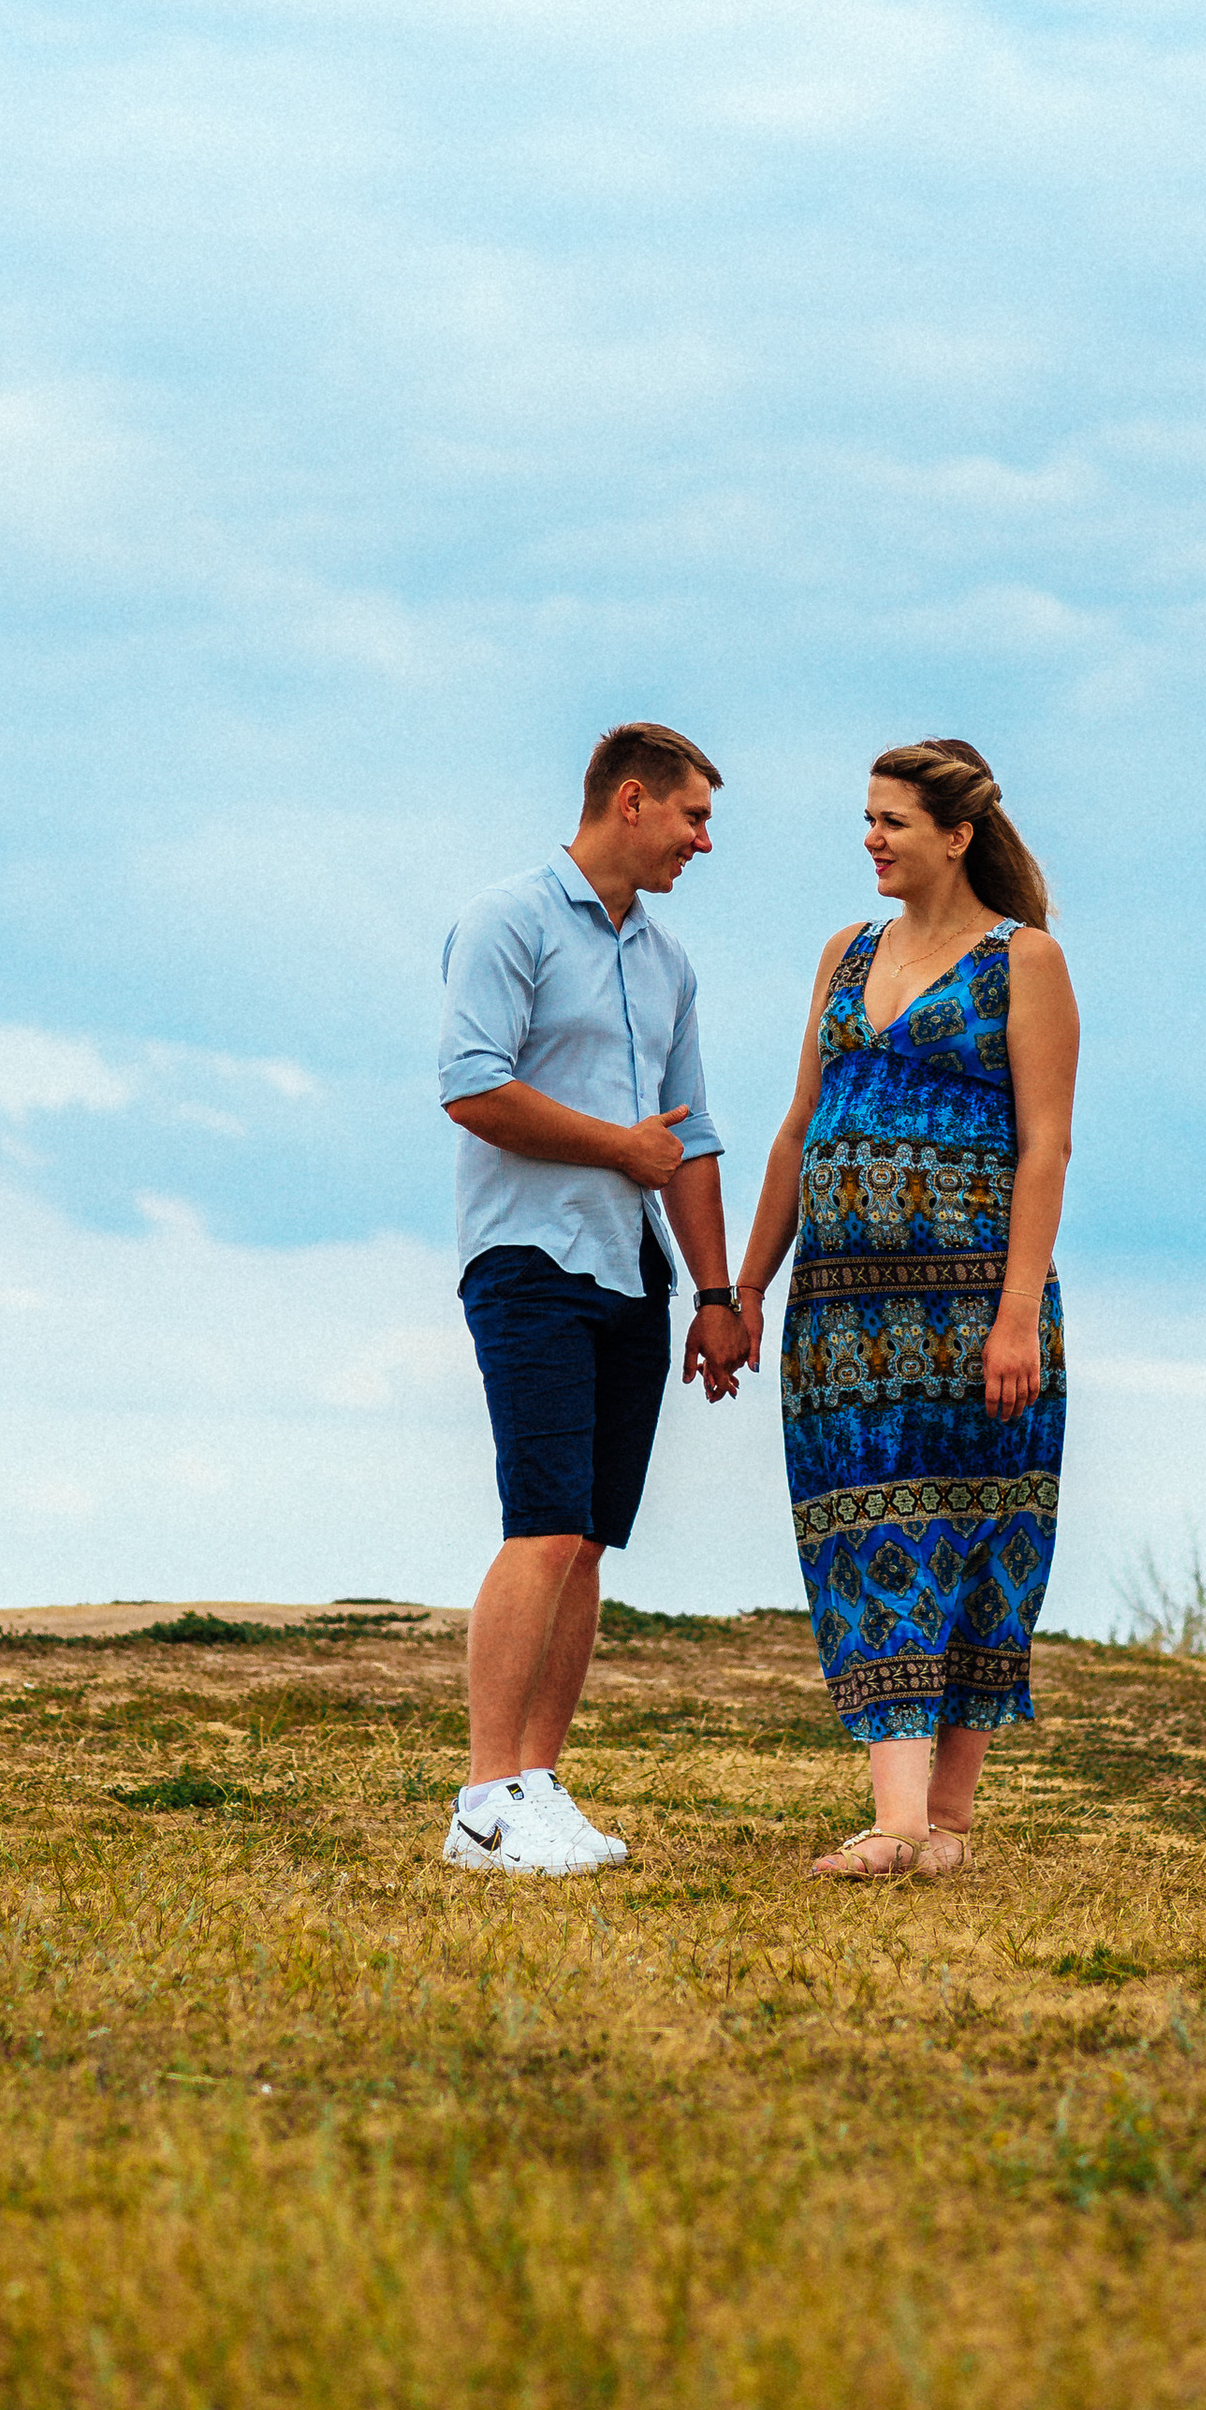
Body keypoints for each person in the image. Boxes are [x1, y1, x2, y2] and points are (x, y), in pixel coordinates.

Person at [733, 738, 1078, 1880]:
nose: (872, 839)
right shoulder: (845, 953)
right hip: (839, 1319)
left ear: (956, 835)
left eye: (892, 821)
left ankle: (946, 1823)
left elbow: (1045, 1147)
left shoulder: (1023, 962)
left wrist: (1017, 1313)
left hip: (976, 1312)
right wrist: (742, 1286)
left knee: (978, 1541)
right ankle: (893, 1818)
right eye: (868, 819)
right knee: (865, 1537)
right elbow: (794, 1130)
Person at [435, 722, 747, 1877]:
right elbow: (472, 1087)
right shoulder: (506, 919)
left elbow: (692, 1139)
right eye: (693, 818)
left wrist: (717, 1293)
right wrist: (619, 1150)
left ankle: (536, 1787)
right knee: (544, 1524)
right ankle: (480, 1803)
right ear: (631, 801)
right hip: (528, 1260)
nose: (703, 843)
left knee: (588, 1543)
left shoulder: (666, 962)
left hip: (635, 1271)